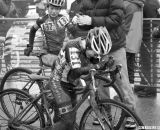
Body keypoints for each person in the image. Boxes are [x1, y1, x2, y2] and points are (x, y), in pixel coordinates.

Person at [71, 0, 136, 128]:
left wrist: (91, 21)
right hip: (97, 48)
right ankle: (104, 113)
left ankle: (131, 114)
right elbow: (83, 20)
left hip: (115, 46)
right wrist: (78, 20)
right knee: (99, 83)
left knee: (121, 81)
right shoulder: (85, 2)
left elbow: (116, 19)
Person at [46, 27, 112, 130]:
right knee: (67, 122)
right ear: (88, 44)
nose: (96, 57)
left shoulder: (90, 49)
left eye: (99, 55)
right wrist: (98, 66)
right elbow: (77, 71)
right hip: (58, 82)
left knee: (71, 121)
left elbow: (94, 63)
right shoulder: (72, 46)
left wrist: (106, 64)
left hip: (71, 82)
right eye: (95, 54)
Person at [24, 0, 71, 68]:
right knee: (61, 65)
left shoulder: (63, 19)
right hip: (47, 54)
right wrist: (30, 46)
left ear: (60, 9)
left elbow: (74, 31)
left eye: (57, 9)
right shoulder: (42, 20)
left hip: (61, 53)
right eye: (51, 8)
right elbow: (32, 31)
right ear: (47, 8)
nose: (54, 11)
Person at [123, 0, 144, 91]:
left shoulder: (127, 5)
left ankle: (124, 95)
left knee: (123, 69)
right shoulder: (139, 5)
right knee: (130, 67)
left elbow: (125, 25)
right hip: (135, 40)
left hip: (125, 40)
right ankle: (130, 91)